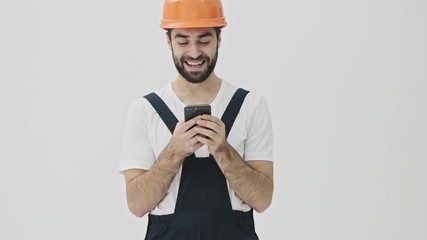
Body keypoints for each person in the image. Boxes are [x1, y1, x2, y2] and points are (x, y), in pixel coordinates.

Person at [119, 0, 274, 239]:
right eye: (183, 41)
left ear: (219, 39)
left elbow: (263, 200)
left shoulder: (251, 106)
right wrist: (174, 152)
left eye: (204, 40)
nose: (194, 52)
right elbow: (137, 205)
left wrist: (223, 151)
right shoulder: (144, 110)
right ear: (168, 41)